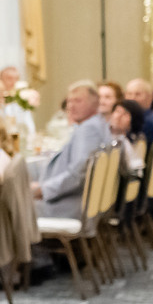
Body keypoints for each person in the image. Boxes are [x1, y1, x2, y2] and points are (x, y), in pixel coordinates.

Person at [33, 82, 116, 222]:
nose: (71, 106)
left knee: (14, 206)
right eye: (69, 101)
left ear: (95, 103)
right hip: (83, 202)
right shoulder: (97, 124)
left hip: (73, 206)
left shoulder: (89, 129)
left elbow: (77, 174)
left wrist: (43, 189)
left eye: (78, 101)